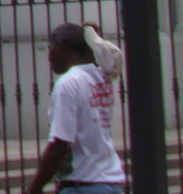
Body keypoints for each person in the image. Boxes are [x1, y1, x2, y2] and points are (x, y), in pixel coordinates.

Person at [24, 24, 125, 194]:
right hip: (109, 185)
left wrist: (34, 189)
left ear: (61, 45)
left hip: (84, 185)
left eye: (50, 48)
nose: (49, 57)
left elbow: (60, 145)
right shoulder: (100, 78)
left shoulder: (68, 83)